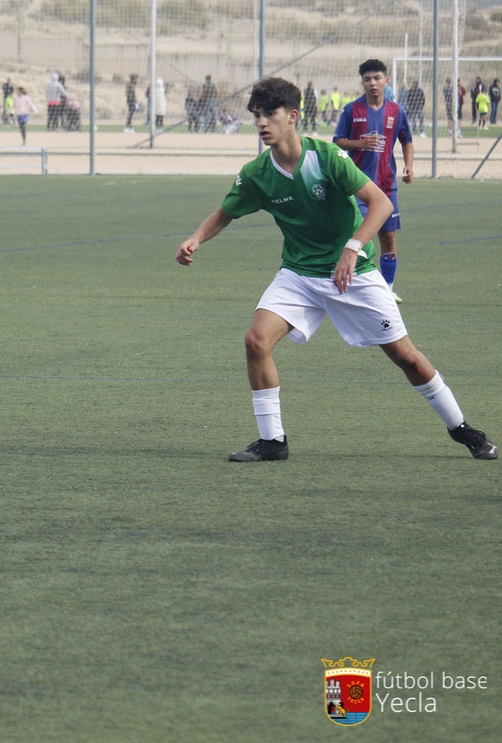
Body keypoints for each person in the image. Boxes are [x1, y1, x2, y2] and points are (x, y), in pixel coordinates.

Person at [175, 76, 495, 463]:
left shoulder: (326, 158)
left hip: (354, 274)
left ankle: (462, 429)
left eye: (270, 114)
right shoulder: (257, 173)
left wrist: (351, 247)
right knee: (256, 341)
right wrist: (195, 238)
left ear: (292, 116)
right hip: (298, 275)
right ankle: (272, 442)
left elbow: (380, 204)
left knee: (405, 356)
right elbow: (223, 214)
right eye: (256, 115)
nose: (261, 122)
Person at [333, 59, 413, 303]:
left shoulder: (396, 111)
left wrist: (409, 165)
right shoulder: (351, 110)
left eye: (377, 78)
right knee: (358, 237)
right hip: (357, 187)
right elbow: (337, 141)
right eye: (367, 79)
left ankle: (388, 289)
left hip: (387, 186)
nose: (372, 83)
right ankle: (357, 286)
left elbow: (406, 140)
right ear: (362, 83)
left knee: (387, 238)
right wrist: (359, 144)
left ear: (386, 81)